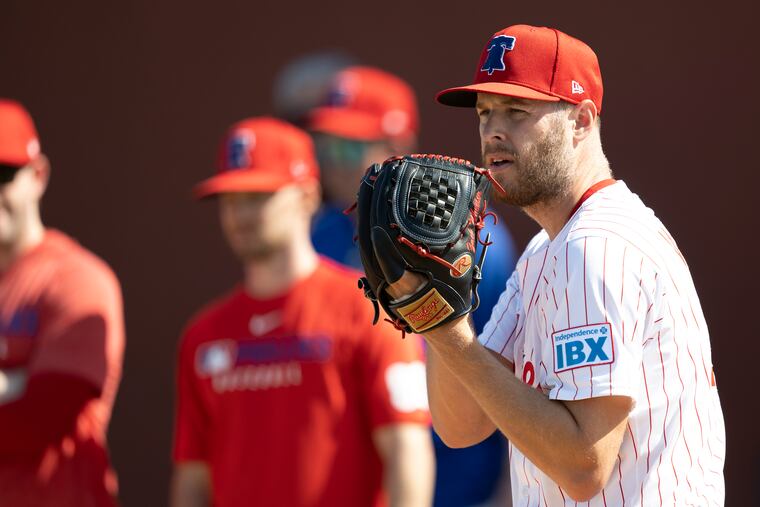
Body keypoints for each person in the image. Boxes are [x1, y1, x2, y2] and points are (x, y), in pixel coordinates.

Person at [383, 24, 726, 505]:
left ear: (581, 121)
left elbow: (583, 466)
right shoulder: (545, 250)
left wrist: (449, 337)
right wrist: (441, 313)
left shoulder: (597, 247)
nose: (493, 131)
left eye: (517, 111)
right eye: (485, 113)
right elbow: (462, 425)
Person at [170, 117, 434, 507]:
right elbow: (193, 477)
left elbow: (407, 452)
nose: (240, 215)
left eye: (258, 196)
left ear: (308, 196)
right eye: (230, 199)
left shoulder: (370, 312)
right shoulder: (203, 334)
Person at [306, 65, 515, 506]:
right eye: (326, 148)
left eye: (349, 148)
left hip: (460, 492)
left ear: (397, 146)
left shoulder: (475, 244)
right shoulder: (316, 238)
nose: (333, 164)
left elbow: (514, 378)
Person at [0, 99, 125, 506]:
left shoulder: (76, 279)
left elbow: (43, 416)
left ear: (37, 176)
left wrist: (24, 389)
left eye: (3, 174)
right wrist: (14, 382)